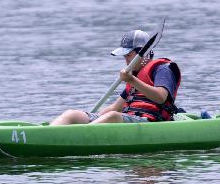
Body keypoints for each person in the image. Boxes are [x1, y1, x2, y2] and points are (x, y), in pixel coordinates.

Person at [50, 29, 181, 125]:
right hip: (128, 118)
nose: (126, 61)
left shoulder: (163, 69)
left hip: (152, 122)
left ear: (143, 54)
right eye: (125, 56)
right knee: (71, 114)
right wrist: (92, 117)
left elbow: (161, 97)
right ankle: (50, 133)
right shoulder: (136, 76)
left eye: (128, 55)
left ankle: (79, 136)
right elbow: (115, 107)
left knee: (112, 117)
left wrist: (132, 80)